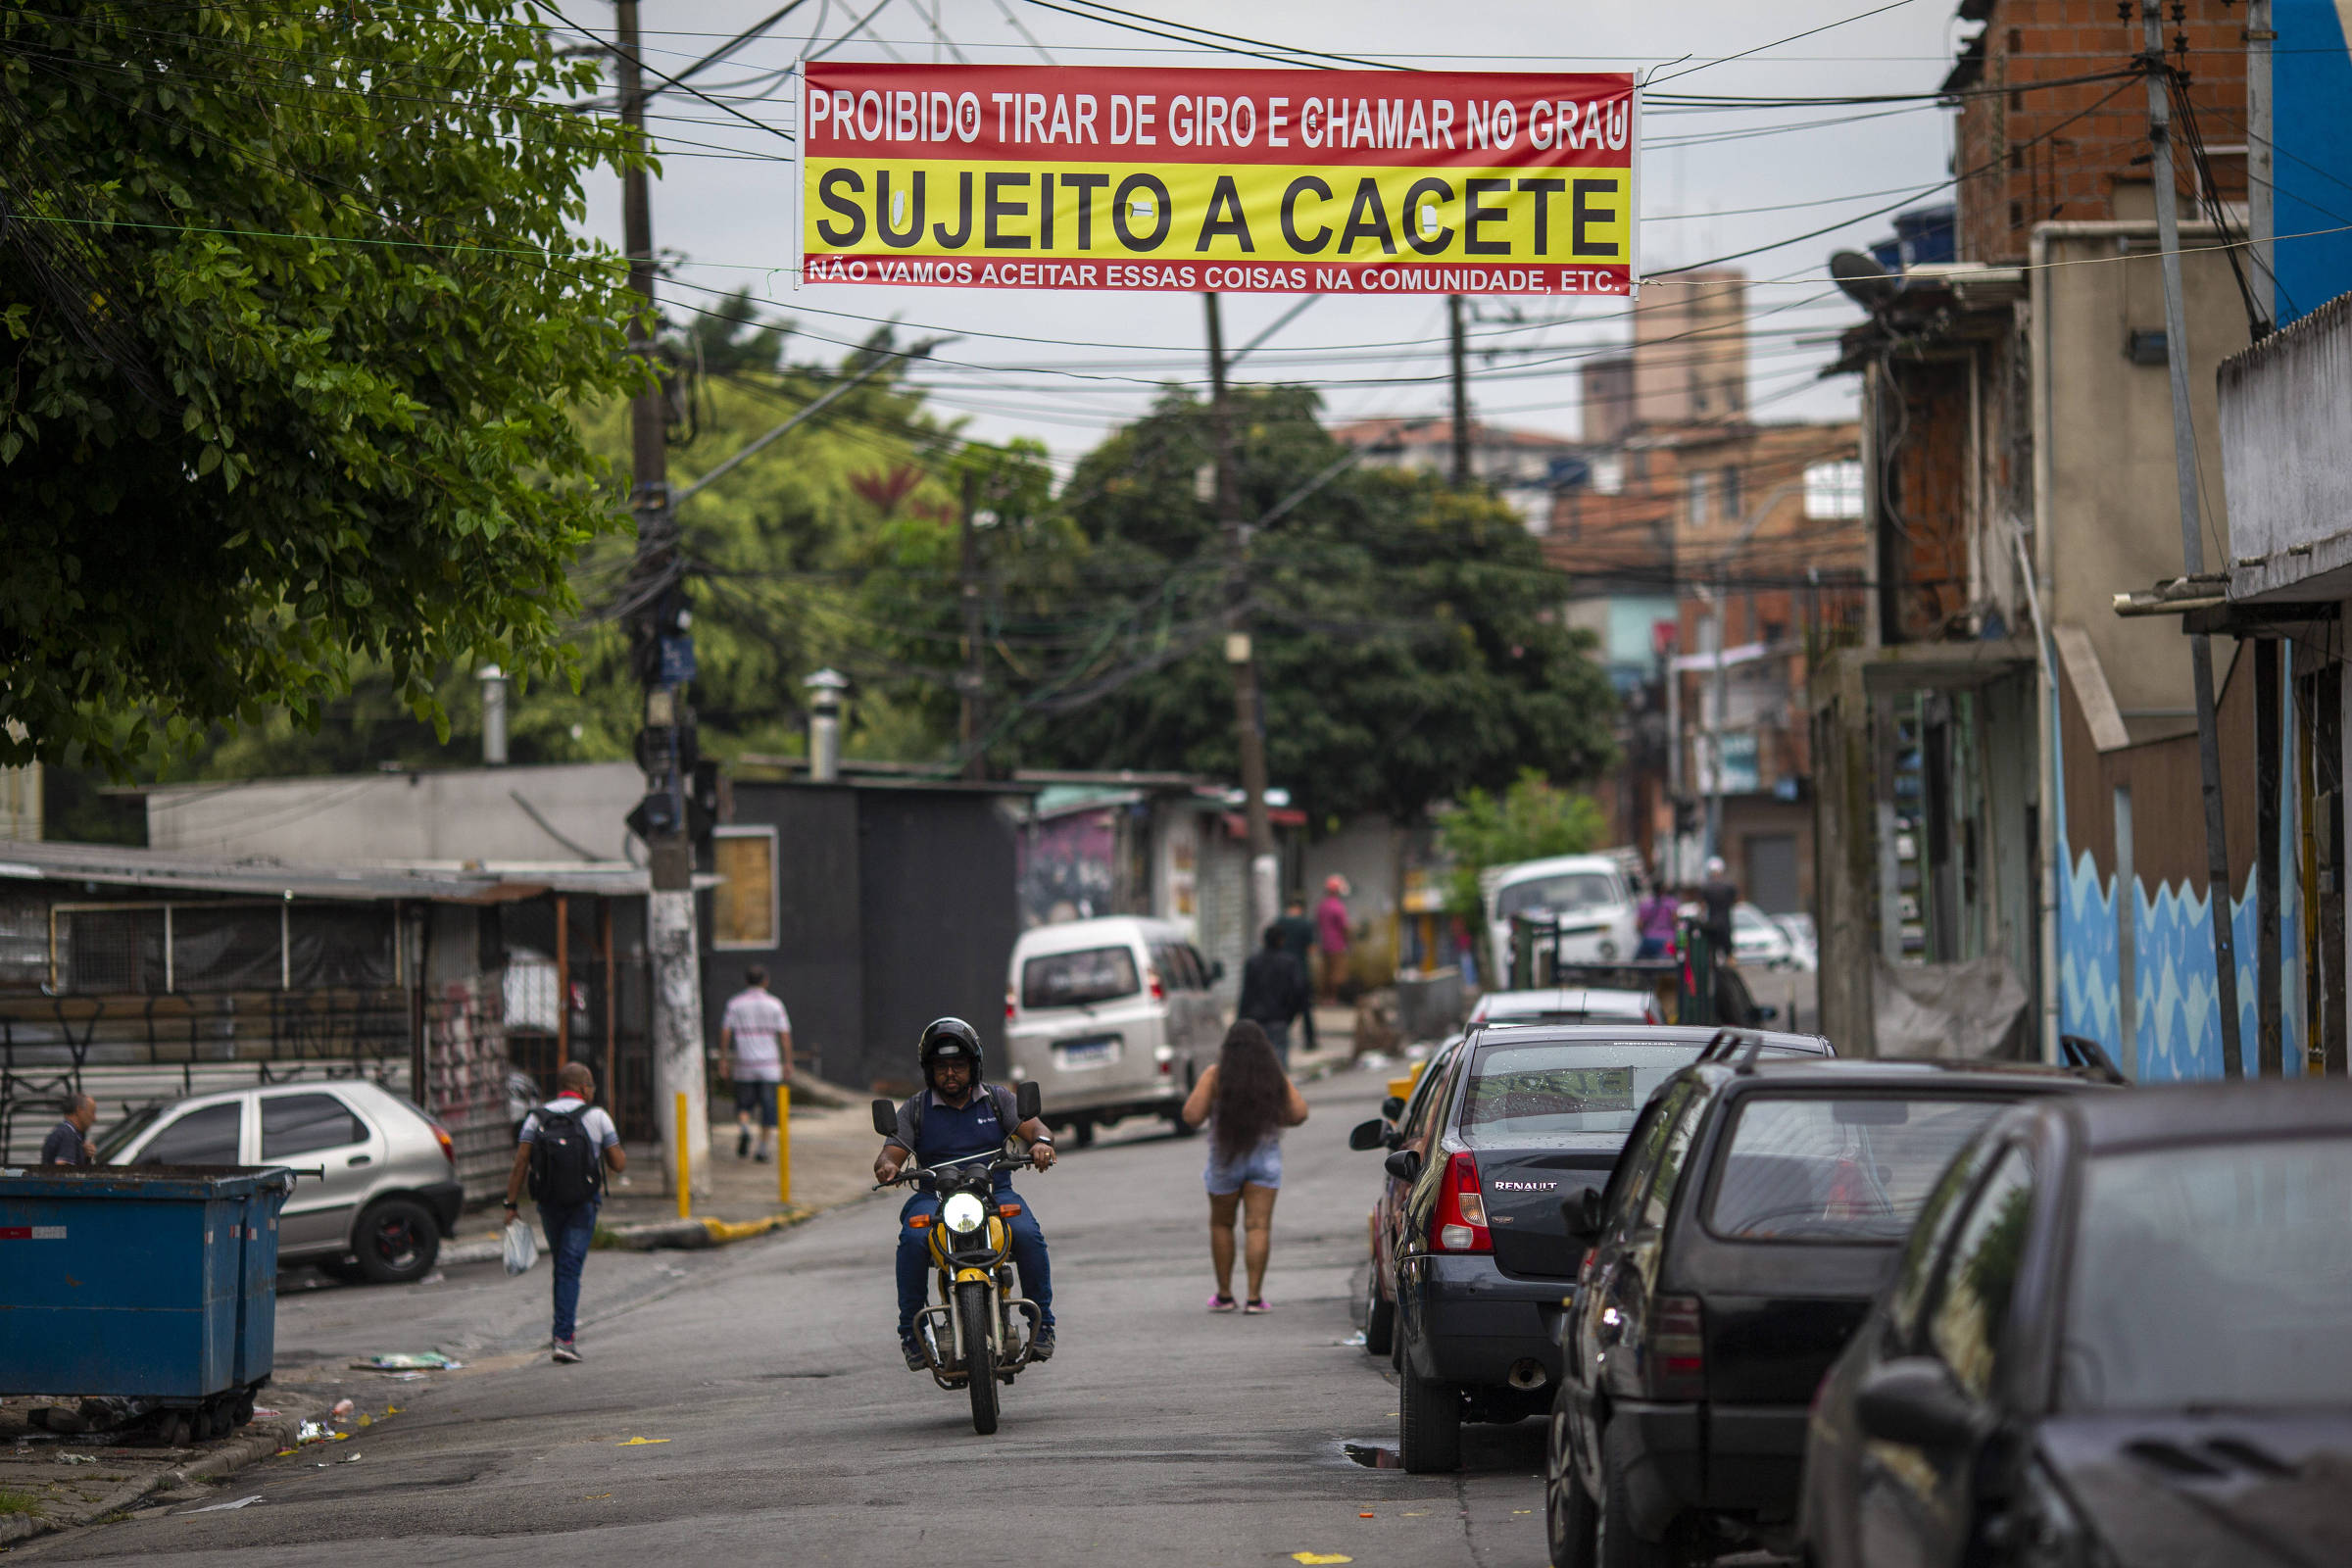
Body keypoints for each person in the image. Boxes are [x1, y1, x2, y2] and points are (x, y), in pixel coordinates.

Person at [874, 1018, 1058, 1371]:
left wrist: (1041, 1144)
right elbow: (891, 1152)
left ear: (974, 1066)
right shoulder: (915, 1108)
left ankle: (1043, 1323)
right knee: (913, 1238)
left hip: (993, 1192)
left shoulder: (997, 1099)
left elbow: (1036, 1128)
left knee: (1027, 1234)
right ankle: (911, 1335)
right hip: (935, 1197)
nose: (950, 1074)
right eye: (941, 1067)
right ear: (929, 1071)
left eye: (958, 1065)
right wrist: (887, 1167)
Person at [1180, 1021, 1309, 1314]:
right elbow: (1299, 1113)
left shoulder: (1215, 1076)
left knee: (1222, 1224)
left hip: (1225, 1160)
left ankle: (1225, 1295)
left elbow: (1191, 1116)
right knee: (1258, 1226)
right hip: (1265, 1160)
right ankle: (1254, 1298)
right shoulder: (1272, 1076)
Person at [505, 1062, 625, 1364]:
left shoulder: (536, 1117)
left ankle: (562, 1333)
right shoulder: (597, 1116)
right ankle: (564, 1338)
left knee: (562, 1265)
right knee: (569, 1268)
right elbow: (618, 1164)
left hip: (549, 1202)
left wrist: (511, 1205)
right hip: (583, 1203)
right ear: (584, 1087)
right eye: (592, 1087)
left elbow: (521, 1163)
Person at [719, 965, 794, 1163]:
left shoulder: (735, 1004)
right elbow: (785, 1037)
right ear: (765, 981)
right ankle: (762, 1148)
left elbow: (726, 1032)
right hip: (769, 1066)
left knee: (744, 1104)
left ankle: (744, 1129)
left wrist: (724, 1059)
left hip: (744, 1064)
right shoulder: (775, 1004)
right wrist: (787, 1062)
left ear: (746, 981)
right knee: (769, 1107)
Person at [1237, 924, 1310, 1067]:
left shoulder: (1253, 962)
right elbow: (1298, 990)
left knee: (1257, 1061)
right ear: (1281, 940)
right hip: (1279, 1018)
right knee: (1278, 1059)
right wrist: (1292, 1013)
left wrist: (1241, 1019)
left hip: (1256, 1019)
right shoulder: (1289, 962)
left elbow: (1246, 994)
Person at [1271, 896, 1320, 1054]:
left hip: (1280, 972)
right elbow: (1311, 949)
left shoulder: (1279, 922)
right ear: (1301, 908)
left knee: (1281, 1006)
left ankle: (1281, 1036)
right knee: (1305, 1008)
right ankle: (1310, 1039)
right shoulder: (1305, 924)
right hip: (1300, 971)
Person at [1315, 875, 1352, 1003]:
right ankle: (1333, 998)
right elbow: (1345, 927)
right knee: (1337, 974)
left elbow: (1318, 924)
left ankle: (1324, 998)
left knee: (1325, 972)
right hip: (1337, 945)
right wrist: (1349, 942)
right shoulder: (1338, 907)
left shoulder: (1322, 906)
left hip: (1324, 944)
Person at [1698, 857, 1740, 958]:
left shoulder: (1705, 887)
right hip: (1726, 923)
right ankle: (1730, 971)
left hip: (1712, 923)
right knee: (1729, 953)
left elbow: (1702, 906)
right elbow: (1737, 902)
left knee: (1711, 953)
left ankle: (1713, 972)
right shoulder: (1729, 886)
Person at [40, 1095, 96, 1166]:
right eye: (92, 1112)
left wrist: (86, 1157)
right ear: (79, 1111)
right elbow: (64, 1171)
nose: (94, 1119)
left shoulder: (72, 1133)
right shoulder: (68, 1134)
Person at [1637, 877, 1680, 960]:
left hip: (1648, 939)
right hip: (1668, 941)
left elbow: (1639, 925)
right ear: (1664, 890)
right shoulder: (1671, 903)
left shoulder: (1645, 904)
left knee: (1643, 965)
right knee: (1669, 965)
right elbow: (1675, 921)